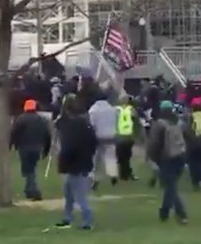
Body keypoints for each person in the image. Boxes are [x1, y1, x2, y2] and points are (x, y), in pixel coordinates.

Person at [147, 100, 194, 224]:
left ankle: (181, 213)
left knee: (170, 187)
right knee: (170, 186)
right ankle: (164, 212)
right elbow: (189, 138)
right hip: (180, 157)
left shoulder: (159, 124)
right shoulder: (180, 123)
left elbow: (154, 144)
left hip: (166, 158)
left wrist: (154, 158)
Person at [55, 98, 98, 230]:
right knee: (69, 194)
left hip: (74, 165)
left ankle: (88, 221)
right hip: (84, 163)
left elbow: (68, 147)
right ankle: (67, 218)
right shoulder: (86, 125)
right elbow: (94, 143)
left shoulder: (71, 127)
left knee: (79, 196)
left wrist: (62, 161)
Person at [10, 99, 51, 201]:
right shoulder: (42, 120)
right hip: (37, 147)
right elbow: (47, 136)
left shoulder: (20, 119)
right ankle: (28, 189)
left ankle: (34, 191)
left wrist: (11, 145)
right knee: (31, 168)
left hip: (24, 147)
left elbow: (14, 133)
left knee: (28, 169)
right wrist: (46, 150)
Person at [87, 91, 119, 188]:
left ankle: (94, 178)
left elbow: (91, 125)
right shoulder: (112, 109)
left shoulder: (93, 110)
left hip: (98, 137)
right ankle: (113, 173)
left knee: (96, 159)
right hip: (111, 136)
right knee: (110, 157)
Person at [114, 95, 139, 181]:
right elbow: (135, 121)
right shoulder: (131, 110)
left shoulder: (116, 109)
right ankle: (126, 173)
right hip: (128, 136)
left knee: (122, 156)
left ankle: (124, 174)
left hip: (120, 136)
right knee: (126, 156)